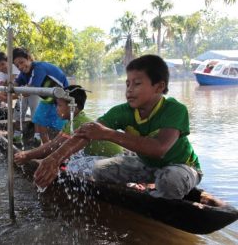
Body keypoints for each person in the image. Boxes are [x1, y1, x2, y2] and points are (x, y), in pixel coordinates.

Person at [34, 54, 202, 200]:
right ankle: (144, 189)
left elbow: (159, 149)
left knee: (170, 181)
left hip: (181, 165)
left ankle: (159, 198)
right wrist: (54, 159)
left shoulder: (175, 109)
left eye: (136, 84)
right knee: (99, 170)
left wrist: (108, 134)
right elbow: (88, 132)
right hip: (146, 164)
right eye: (127, 84)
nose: (129, 90)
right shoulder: (123, 111)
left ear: (159, 87)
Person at [14, 85, 123, 168]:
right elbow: (53, 143)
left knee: (72, 165)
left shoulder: (77, 122)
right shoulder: (73, 121)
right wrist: (33, 155)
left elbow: (54, 146)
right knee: (69, 158)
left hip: (111, 161)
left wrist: (27, 155)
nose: (57, 108)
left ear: (73, 107)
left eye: (60, 105)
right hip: (108, 158)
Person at [13, 47, 69, 144]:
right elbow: (15, 83)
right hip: (48, 98)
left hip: (63, 99)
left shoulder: (39, 68)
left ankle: (62, 146)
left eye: (21, 62)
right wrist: (6, 91)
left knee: (61, 126)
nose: (20, 67)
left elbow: (29, 90)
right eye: (17, 66)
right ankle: (46, 147)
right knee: (39, 119)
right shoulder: (23, 73)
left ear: (29, 58)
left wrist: (10, 95)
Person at [0, 52, 40, 142]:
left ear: (9, 62)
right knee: (18, 113)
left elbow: (12, 83)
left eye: (3, 64)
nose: (2, 67)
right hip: (20, 93)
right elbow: (3, 86)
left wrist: (4, 96)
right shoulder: (2, 73)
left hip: (32, 90)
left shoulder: (14, 67)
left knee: (35, 114)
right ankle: (18, 134)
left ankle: (37, 137)